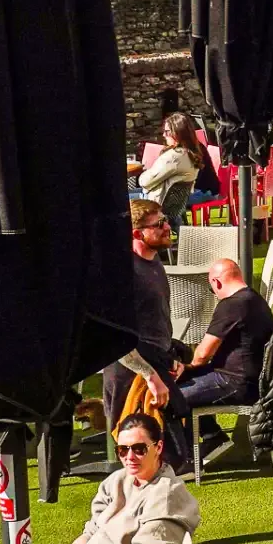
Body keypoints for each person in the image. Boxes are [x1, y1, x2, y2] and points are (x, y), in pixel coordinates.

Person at [100, 200, 191, 472]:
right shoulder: (124, 273)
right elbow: (114, 336)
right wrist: (150, 376)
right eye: (159, 224)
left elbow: (157, 319)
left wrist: (171, 355)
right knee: (137, 457)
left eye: (165, 220)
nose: (167, 227)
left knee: (169, 459)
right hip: (130, 372)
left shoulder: (154, 261)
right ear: (137, 233)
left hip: (158, 361)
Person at [70, 410, 200, 544]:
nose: (129, 457)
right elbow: (89, 533)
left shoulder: (166, 497)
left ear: (158, 447)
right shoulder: (116, 481)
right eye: (123, 450)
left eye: (139, 449)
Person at [174, 257, 273, 465]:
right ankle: (213, 437)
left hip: (237, 383)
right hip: (257, 379)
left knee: (172, 397)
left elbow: (202, 355)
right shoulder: (254, 299)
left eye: (212, 289)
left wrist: (188, 368)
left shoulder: (231, 305)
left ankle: (184, 460)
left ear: (216, 282)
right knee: (184, 383)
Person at [131, 113, 205, 217]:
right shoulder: (191, 153)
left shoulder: (174, 157)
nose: (164, 135)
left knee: (119, 200)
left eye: (167, 131)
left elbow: (144, 182)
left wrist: (148, 171)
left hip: (156, 203)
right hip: (172, 206)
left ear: (177, 133)